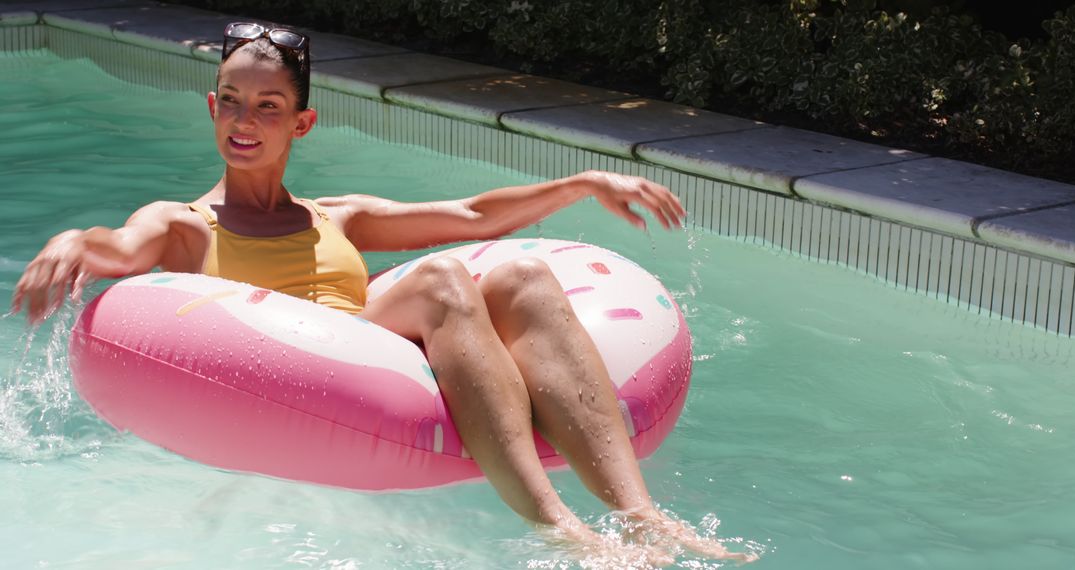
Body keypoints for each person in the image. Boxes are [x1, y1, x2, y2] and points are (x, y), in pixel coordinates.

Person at [10, 23, 756, 565]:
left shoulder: (339, 216)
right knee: (440, 278)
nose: (245, 121)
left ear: (301, 122)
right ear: (212, 109)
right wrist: (75, 241)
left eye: (269, 106)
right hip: (291, 378)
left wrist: (583, 183)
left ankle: (644, 518)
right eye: (232, 101)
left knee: (523, 277)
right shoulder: (182, 225)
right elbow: (121, 246)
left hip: (381, 363)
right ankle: (559, 524)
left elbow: (470, 217)